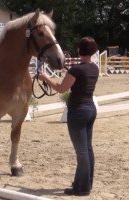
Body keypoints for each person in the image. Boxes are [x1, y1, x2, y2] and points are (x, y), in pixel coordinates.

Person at [38, 36, 99, 196]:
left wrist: (45, 78)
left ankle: (82, 188)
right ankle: (86, 183)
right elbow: (79, 78)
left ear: (79, 50)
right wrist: (67, 70)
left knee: (82, 152)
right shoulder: (93, 68)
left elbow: (61, 88)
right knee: (88, 148)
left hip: (78, 111)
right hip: (90, 109)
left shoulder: (76, 70)